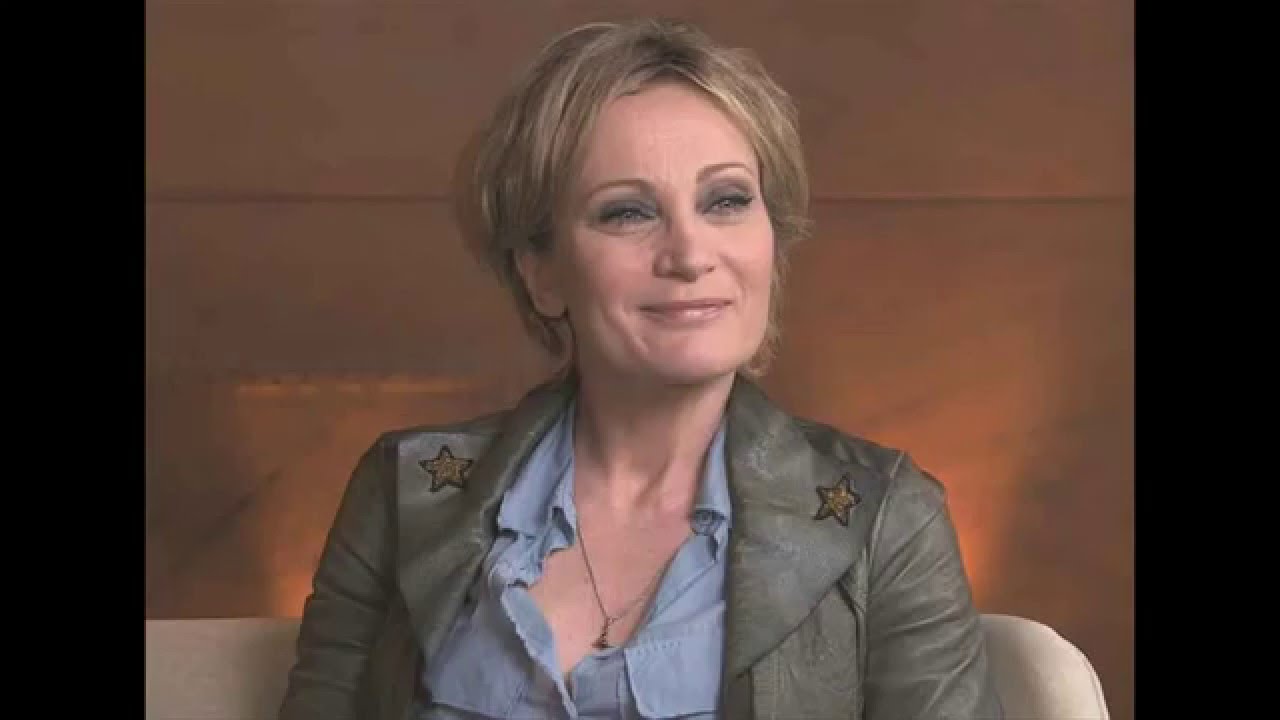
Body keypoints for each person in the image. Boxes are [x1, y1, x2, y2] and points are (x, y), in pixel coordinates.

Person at [280, 17, 1002, 720]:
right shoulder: (402, 490)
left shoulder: (885, 518)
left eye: (726, 201)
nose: (689, 255)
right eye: (627, 212)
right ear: (541, 272)